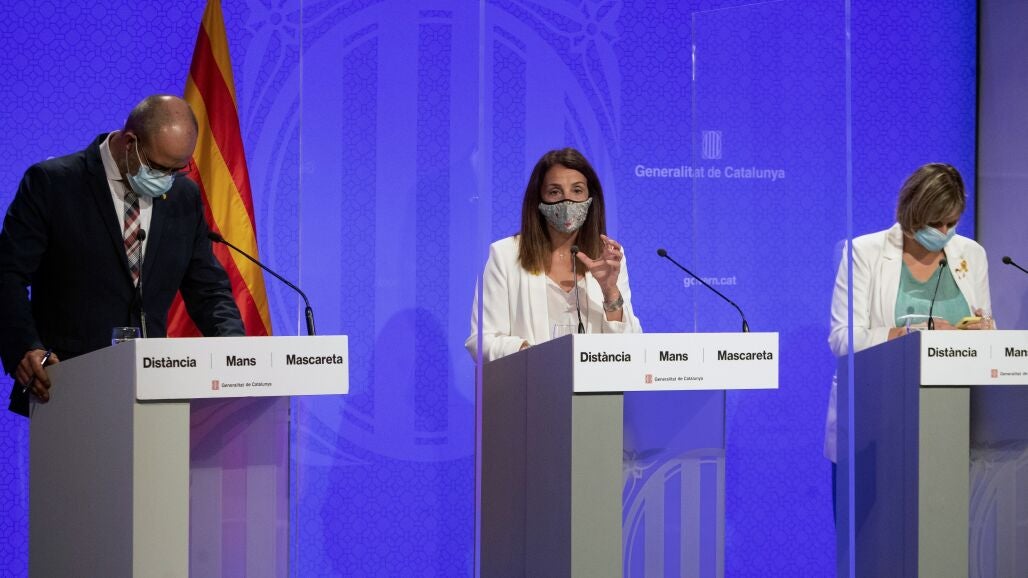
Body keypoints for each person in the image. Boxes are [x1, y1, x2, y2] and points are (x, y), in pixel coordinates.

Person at [0, 95, 245, 416]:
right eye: (159, 167)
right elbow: (8, 275)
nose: (166, 179)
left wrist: (235, 351)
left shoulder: (184, 196)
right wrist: (26, 347)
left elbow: (207, 289)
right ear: (130, 143)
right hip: (65, 386)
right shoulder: (53, 182)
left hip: (154, 389)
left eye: (177, 169)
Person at [824, 162, 993, 463]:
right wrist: (913, 335)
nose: (944, 232)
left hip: (955, 418)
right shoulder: (864, 253)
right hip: (879, 418)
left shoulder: (972, 254)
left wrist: (984, 332)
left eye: (952, 223)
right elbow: (843, 339)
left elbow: (986, 330)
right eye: (935, 223)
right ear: (912, 214)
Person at [465, 147, 642, 362]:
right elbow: (482, 341)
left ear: (590, 197)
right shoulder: (505, 255)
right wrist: (535, 357)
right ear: (539, 199)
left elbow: (630, 347)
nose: (567, 201)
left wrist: (610, 291)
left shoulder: (609, 256)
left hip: (596, 382)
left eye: (577, 190)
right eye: (555, 192)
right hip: (531, 379)